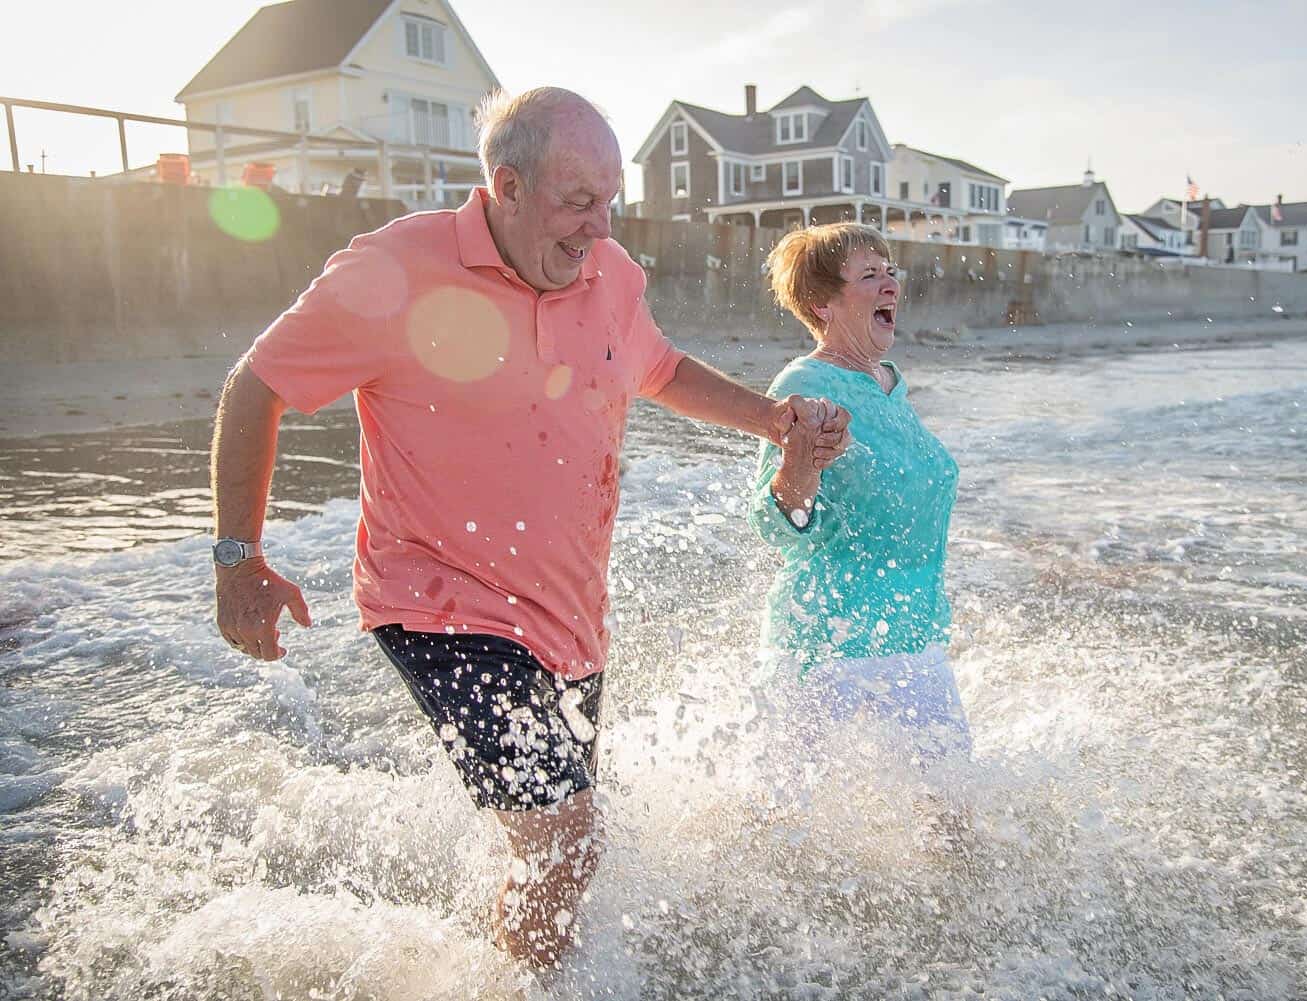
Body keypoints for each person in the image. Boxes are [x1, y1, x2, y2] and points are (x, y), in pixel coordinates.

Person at [209, 87, 851, 970]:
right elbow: (259, 383)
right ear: (505, 188)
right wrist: (238, 558)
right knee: (568, 838)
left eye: (611, 200)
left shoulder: (611, 275)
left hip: (569, 618)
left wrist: (773, 420)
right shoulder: (396, 269)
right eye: (578, 201)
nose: (600, 225)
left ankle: (500, 970)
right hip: (438, 603)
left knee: (559, 844)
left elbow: (656, 367)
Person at [750, 222, 970, 761]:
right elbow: (776, 522)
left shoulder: (890, 387)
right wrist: (802, 456)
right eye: (870, 275)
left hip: (915, 642)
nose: (891, 284)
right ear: (823, 303)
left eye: (890, 271)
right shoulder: (806, 386)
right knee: (775, 830)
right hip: (825, 646)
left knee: (958, 828)